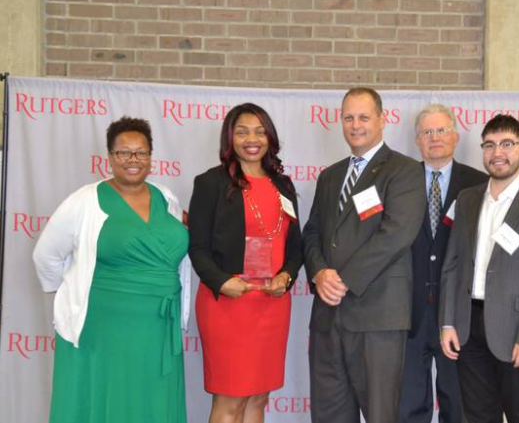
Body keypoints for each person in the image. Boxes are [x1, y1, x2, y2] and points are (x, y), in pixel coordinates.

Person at [33, 116, 191, 423]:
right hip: (103, 325)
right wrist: (72, 292)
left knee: (151, 397)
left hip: (158, 325)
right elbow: (45, 256)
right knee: (107, 397)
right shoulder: (84, 201)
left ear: (150, 157)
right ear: (109, 157)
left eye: (141, 152)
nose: (133, 160)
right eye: (123, 152)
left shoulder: (166, 198)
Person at [303, 87, 426, 423]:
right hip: (328, 318)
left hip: (378, 317)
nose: (355, 125)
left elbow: (396, 234)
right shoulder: (330, 176)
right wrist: (319, 273)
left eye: (363, 117)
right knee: (328, 415)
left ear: (382, 120)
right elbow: (312, 232)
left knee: (380, 415)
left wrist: (342, 279)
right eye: (348, 118)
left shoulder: (405, 171)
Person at [439, 115, 519, 423]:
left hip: (516, 331)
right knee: (479, 415)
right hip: (468, 327)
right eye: (490, 145)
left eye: (507, 144)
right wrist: (447, 322)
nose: (498, 153)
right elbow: (452, 264)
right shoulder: (467, 199)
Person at [188, 103, 303, 423]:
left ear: (270, 137)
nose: (251, 139)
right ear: (230, 138)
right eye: (242, 132)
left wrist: (287, 278)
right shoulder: (210, 183)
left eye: (259, 131)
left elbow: (296, 248)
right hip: (228, 303)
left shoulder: (284, 186)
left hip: (271, 303)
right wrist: (222, 282)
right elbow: (197, 247)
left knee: (258, 398)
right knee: (230, 400)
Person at [399, 104, 487, 423]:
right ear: (417, 141)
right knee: (408, 406)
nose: (434, 138)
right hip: (409, 312)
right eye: (427, 132)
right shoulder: (399, 181)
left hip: (459, 314)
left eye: (441, 130)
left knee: (460, 404)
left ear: (456, 136)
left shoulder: (480, 184)